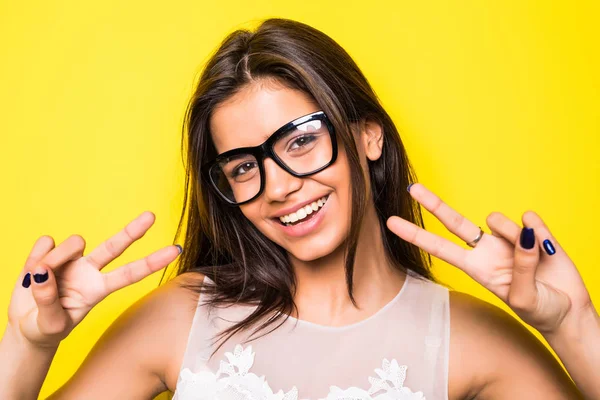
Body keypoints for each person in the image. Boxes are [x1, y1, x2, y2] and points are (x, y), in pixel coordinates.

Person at [1, 18, 598, 400]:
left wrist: (575, 329)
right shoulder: (178, 319)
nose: (279, 186)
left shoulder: (472, 338)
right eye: (242, 166)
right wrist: (26, 348)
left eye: (300, 140)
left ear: (368, 136)